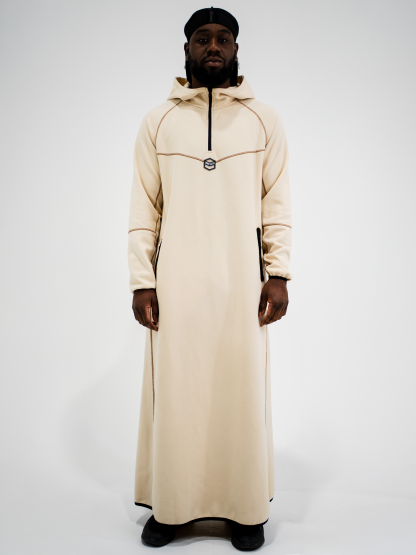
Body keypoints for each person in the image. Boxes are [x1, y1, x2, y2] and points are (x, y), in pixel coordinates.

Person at [127, 7, 292, 551]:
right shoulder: (158, 121)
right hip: (176, 284)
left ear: (237, 50)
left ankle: (244, 510)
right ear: (187, 49)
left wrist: (279, 273)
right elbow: (144, 208)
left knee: (240, 393)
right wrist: (142, 280)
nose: (214, 46)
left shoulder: (264, 120)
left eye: (224, 38)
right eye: (203, 38)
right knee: (177, 394)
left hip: (242, 284)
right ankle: (172, 508)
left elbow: (276, 203)